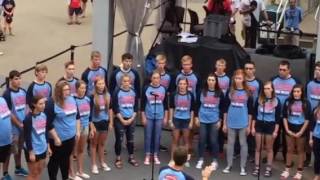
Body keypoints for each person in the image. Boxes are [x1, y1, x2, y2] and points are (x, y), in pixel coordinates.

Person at [45, 81, 80, 180]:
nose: (67, 92)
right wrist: (56, 138)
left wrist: (77, 131)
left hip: (70, 137)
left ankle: (65, 178)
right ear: (58, 91)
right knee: (55, 161)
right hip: (58, 139)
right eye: (64, 90)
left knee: (65, 160)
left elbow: (77, 116)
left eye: (68, 89)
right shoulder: (52, 103)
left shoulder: (72, 99)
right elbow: (47, 123)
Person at [222, 69, 253, 176]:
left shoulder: (248, 92)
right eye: (236, 78)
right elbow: (225, 109)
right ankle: (229, 165)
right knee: (230, 144)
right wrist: (224, 123)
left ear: (243, 79)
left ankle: (242, 167)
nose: (237, 80)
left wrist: (249, 125)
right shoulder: (230, 91)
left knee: (243, 143)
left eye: (239, 78)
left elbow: (250, 111)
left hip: (243, 122)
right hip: (231, 121)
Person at [280, 84, 310, 180]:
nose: (296, 93)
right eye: (294, 91)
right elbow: (284, 116)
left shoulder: (306, 103)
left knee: (300, 150)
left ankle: (299, 171)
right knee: (289, 149)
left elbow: (307, 119)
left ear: (302, 93)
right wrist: (287, 129)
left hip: (301, 129)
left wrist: (301, 131)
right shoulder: (288, 101)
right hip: (289, 127)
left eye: (298, 91)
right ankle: (287, 170)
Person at [195, 73, 224, 170]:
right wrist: (196, 117)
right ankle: (200, 159)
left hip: (214, 119)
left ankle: (215, 161)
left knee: (213, 140)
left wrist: (220, 120)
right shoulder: (201, 91)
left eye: (213, 80)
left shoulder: (220, 93)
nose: (211, 82)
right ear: (207, 81)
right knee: (202, 140)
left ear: (216, 82)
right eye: (209, 80)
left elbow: (222, 108)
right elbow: (197, 105)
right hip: (202, 119)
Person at [2, 70, 29, 179]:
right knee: (9, 152)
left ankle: (18, 168)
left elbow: (26, 105)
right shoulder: (7, 95)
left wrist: (25, 121)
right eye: (16, 79)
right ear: (11, 80)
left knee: (19, 149)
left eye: (20, 78)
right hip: (13, 129)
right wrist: (18, 123)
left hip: (22, 127)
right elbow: (8, 112)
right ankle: (5, 174)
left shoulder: (23, 91)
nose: (19, 81)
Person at [251, 81, 280, 177]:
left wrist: (276, 131)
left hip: (270, 125)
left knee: (269, 148)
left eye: (268, 88)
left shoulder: (276, 101)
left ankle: (268, 168)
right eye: (265, 88)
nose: (266, 90)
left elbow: (277, 118)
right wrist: (252, 127)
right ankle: (257, 167)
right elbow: (255, 114)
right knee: (258, 148)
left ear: (272, 89)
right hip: (259, 124)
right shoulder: (259, 99)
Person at [272, 60, 299, 163]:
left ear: (289, 70)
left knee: (287, 138)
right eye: (280, 69)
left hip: (288, 115)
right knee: (275, 135)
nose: (281, 72)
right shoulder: (274, 80)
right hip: (275, 114)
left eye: (284, 70)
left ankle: (286, 158)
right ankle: (272, 155)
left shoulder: (295, 81)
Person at [175, 55, 200, 159]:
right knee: (178, 131)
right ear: (182, 65)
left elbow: (198, 91)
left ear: (191, 65)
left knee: (190, 129)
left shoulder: (196, 76)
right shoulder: (177, 76)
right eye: (184, 64)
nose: (186, 66)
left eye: (188, 64)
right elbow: (174, 91)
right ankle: (178, 151)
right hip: (179, 107)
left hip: (191, 106)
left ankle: (189, 148)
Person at [141, 70, 168, 165]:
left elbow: (166, 105)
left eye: (158, 78)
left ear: (160, 79)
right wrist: (143, 117)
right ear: (151, 78)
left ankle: (155, 154)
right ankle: (147, 155)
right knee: (148, 136)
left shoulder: (163, 89)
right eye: (154, 78)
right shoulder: (146, 88)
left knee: (157, 136)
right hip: (149, 115)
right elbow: (142, 104)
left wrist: (166, 117)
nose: (156, 80)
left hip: (159, 116)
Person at [112, 74, 139, 169]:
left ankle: (131, 157)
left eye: (128, 81)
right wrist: (122, 120)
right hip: (120, 119)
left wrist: (132, 118)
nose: (126, 83)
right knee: (119, 140)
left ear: (130, 82)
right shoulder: (117, 92)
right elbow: (115, 108)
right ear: (121, 82)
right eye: (124, 81)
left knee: (130, 140)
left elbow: (136, 107)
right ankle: (118, 158)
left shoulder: (133, 91)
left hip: (131, 119)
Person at [169, 77, 195, 167]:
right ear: (178, 85)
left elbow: (192, 110)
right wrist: (170, 120)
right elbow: (171, 108)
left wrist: (191, 121)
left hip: (186, 119)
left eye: (184, 84)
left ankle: (185, 160)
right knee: (175, 140)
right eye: (180, 84)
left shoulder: (190, 95)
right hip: (176, 119)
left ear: (187, 85)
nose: (182, 86)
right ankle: (172, 159)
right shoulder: (174, 95)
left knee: (186, 140)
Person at [90, 77, 113, 174]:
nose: (101, 86)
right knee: (94, 144)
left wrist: (111, 122)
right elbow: (89, 113)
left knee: (102, 144)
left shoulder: (108, 95)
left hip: (105, 122)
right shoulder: (91, 96)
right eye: (99, 84)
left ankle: (102, 162)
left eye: (103, 83)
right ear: (95, 85)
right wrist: (91, 126)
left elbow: (110, 109)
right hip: (95, 123)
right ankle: (94, 164)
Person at [23, 96, 48, 180]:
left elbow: (45, 132)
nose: (43, 105)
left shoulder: (44, 115)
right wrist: (31, 152)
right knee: (33, 173)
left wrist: (48, 146)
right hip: (33, 149)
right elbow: (27, 137)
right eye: (40, 104)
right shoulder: (28, 119)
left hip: (43, 147)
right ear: (34, 104)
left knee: (40, 170)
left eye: (44, 103)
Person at [72, 80, 92, 179]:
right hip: (76, 128)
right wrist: (76, 130)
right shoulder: (73, 100)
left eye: (85, 88)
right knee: (72, 152)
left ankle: (80, 171)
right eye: (81, 88)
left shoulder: (88, 99)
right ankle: (71, 173)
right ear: (76, 89)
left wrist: (91, 128)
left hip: (85, 127)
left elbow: (90, 115)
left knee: (81, 150)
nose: (83, 90)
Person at [244, 61, 262, 162]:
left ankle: (251, 153)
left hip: (254, 109)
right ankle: (238, 151)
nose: (248, 70)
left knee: (252, 132)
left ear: (254, 70)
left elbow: (261, 97)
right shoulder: (241, 81)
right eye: (246, 68)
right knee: (241, 131)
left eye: (250, 68)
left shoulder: (258, 82)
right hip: (242, 109)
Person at [214, 58, 230, 158]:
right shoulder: (212, 77)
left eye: (222, 65)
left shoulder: (228, 79)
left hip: (223, 105)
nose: (220, 67)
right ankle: (209, 147)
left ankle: (220, 148)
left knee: (220, 128)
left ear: (225, 67)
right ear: (215, 66)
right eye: (218, 65)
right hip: (212, 104)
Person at [0, 96, 13, 180]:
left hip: (7, 138)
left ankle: (5, 174)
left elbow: (8, 115)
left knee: (6, 156)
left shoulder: (2, 99)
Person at [310, 103, 320, 180]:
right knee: (317, 158)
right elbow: (312, 125)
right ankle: (317, 174)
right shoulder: (316, 110)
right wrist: (310, 138)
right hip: (316, 137)